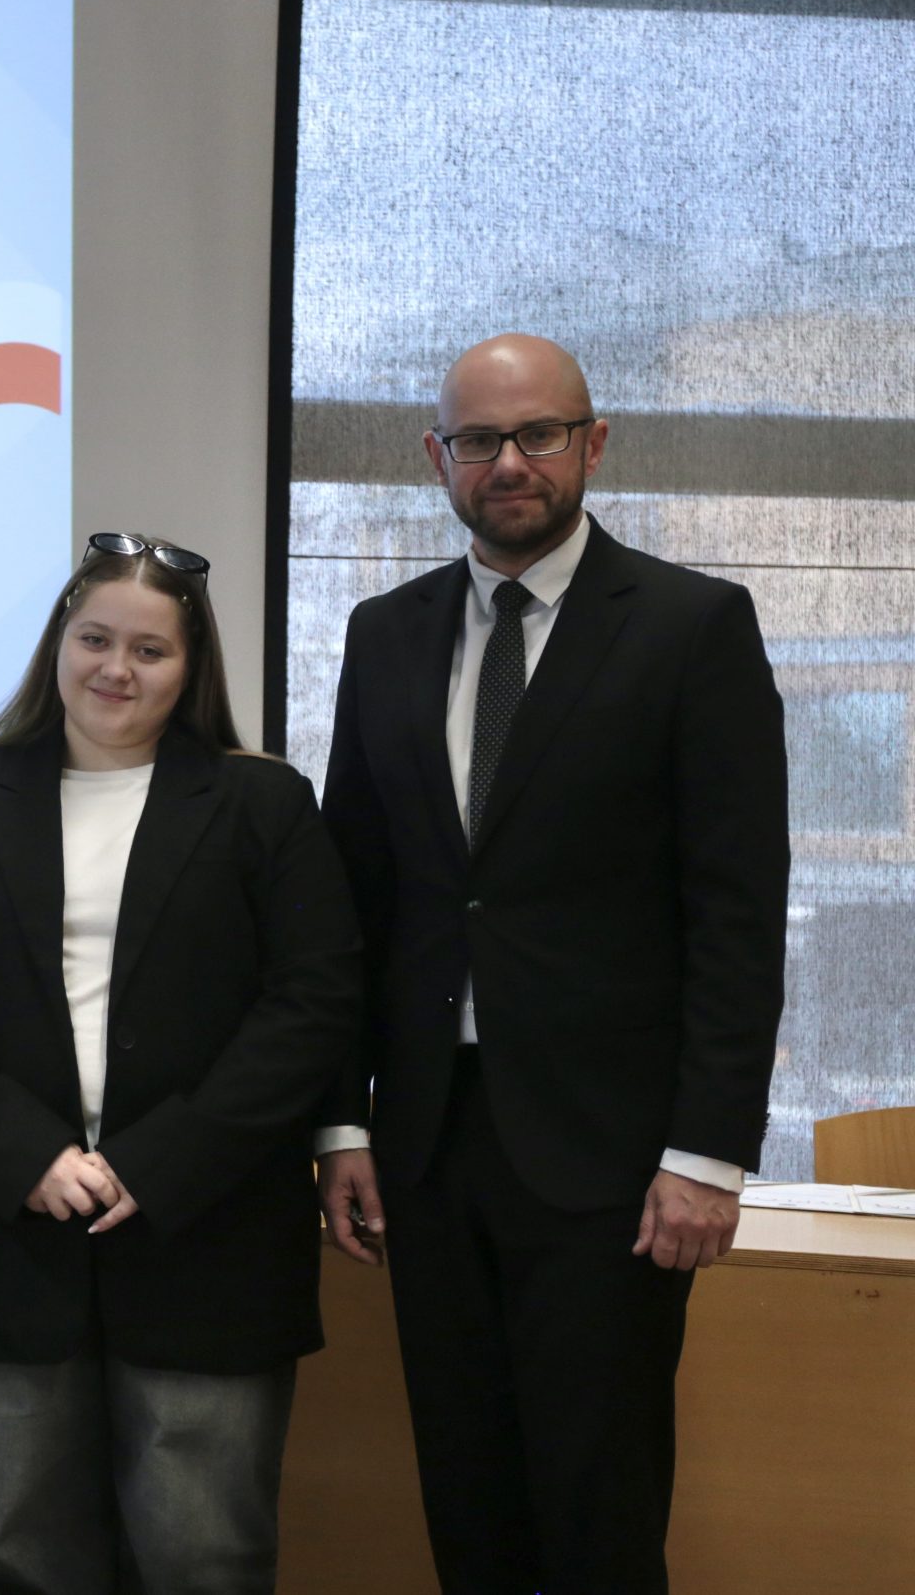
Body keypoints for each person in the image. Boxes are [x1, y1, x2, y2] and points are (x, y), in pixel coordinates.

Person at [317, 334, 789, 1594]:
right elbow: (352, 900)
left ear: (594, 443)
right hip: (427, 1145)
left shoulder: (691, 626)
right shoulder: (385, 633)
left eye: (537, 434)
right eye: (478, 440)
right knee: (466, 1494)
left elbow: (737, 914)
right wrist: (339, 1122)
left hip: (615, 1159)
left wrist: (707, 1154)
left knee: (597, 1505)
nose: (509, 463)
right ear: (437, 459)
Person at [0, 534, 362, 1594]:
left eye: (150, 649)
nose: (115, 669)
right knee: (23, 1556)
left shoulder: (264, 804)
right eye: (94, 639)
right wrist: (23, 1152)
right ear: (58, 643)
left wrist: (162, 1158)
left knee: (203, 1561)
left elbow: (312, 1002)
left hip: (209, 1236)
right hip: (13, 1235)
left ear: (191, 668)